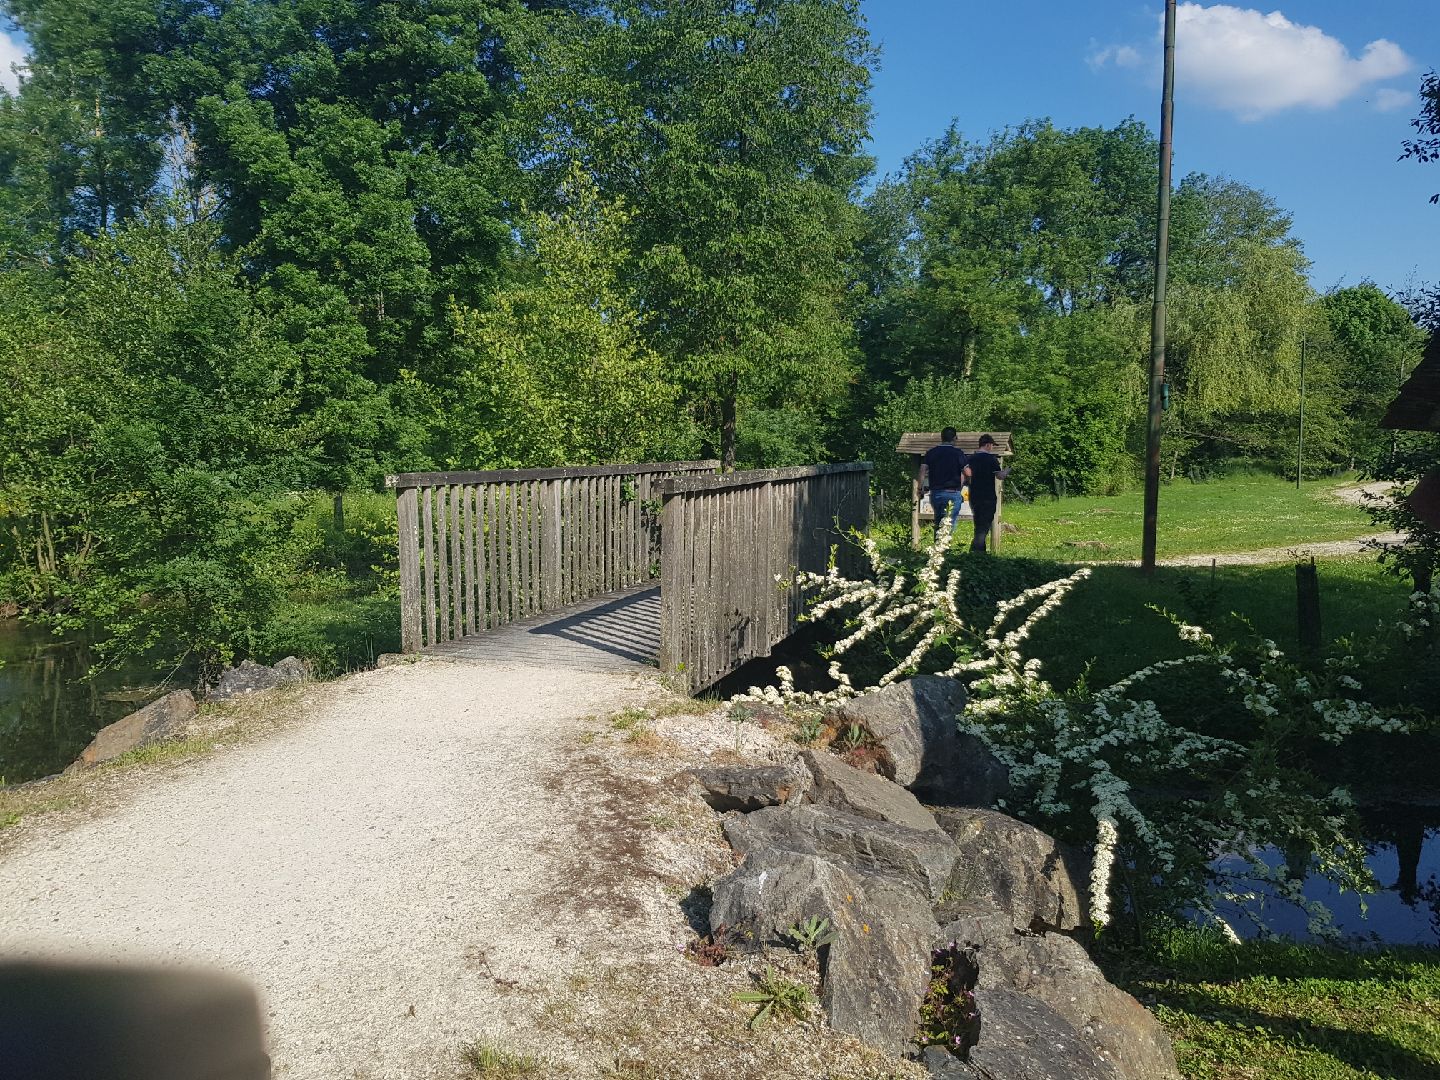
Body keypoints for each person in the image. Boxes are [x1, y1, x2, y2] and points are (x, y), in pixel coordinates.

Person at [963, 433, 1009, 552]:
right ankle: (975, 552)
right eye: (992, 445)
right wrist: (1006, 471)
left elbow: (966, 474)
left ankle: (980, 553)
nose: (992, 448)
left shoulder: (970, 458)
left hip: (974, 495)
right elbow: (1000, 476)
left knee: (978, 523)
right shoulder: (991, 459)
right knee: (983, 527)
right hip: (988, 496)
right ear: (988, 445)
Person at [921, 427, 967, 537]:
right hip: (953, 492)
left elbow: (922, 469)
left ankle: (937, 549)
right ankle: (944, 549)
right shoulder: (958, 453)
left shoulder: (931, 452)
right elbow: (967, 472)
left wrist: (920, 487)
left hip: (936, 493)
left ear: (941, 438)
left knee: (939, 521)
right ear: (955, 438)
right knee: (949, 524)